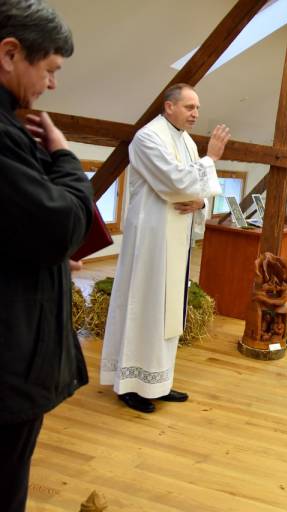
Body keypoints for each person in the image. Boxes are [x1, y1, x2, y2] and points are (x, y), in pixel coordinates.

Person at [0, 2, 93, 510]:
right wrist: (65, 156)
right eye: (50, 70)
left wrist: (52, 257)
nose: (52, 85)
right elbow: (61, 224)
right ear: (10, 53)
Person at [100, 83, 230, 413]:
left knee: (168, 311)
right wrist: (211, 159)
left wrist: (201, 202)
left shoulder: (186, 141)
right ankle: (130, 385)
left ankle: (158, 381)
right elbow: (176, 182)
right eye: (189, 107)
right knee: (144, 305)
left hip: (175, 238)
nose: (195, 114)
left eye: (197, 108)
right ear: (169, 106)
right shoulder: (148, 137)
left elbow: (195, 191)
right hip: (151, 238)